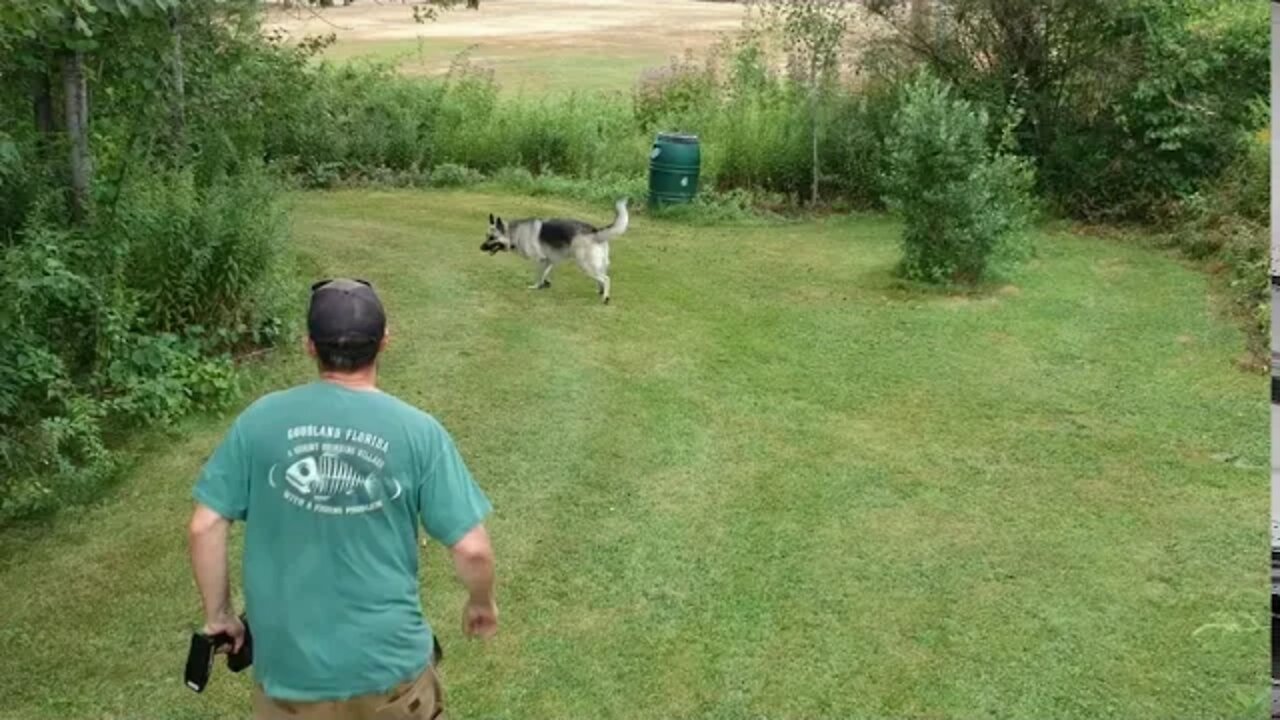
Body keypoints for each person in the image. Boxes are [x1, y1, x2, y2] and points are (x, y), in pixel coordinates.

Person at [188, 278, 497, 720]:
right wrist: (481, 603)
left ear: (309, 345)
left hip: (288, 680)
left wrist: (220, 616)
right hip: (388, 674)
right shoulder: (418, 432)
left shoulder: (260, 421)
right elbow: (473, 549)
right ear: (385, 341)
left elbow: (205, 525)